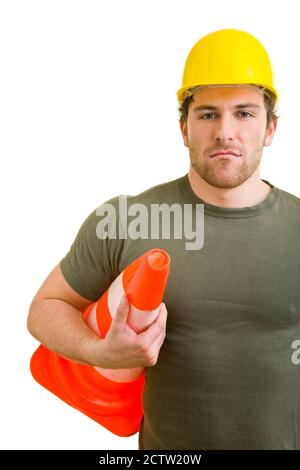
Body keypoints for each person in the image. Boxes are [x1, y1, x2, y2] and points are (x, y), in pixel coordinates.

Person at [27, 29, 300, 450]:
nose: (225, 132)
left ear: (270, 128)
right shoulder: (126, 218)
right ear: (183, 128)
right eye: (208, 114)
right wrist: (99, 352)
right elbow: (45, 309)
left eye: (244, 113)